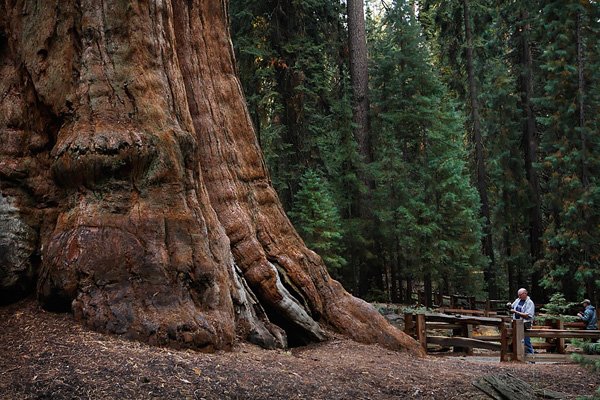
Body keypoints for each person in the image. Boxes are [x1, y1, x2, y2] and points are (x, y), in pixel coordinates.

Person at [510, 288, 535, 354]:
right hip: (516, 323)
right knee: (515, 340)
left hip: (525, 324)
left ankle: (531, 358)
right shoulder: (518, 300)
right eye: (518, 295)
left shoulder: (530, 303)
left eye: (520, 295)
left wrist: (516, 312)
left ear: (525, 294)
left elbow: (527, 315)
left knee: (526, 341)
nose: (519, 296)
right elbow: (512, 307)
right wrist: (509, 305)